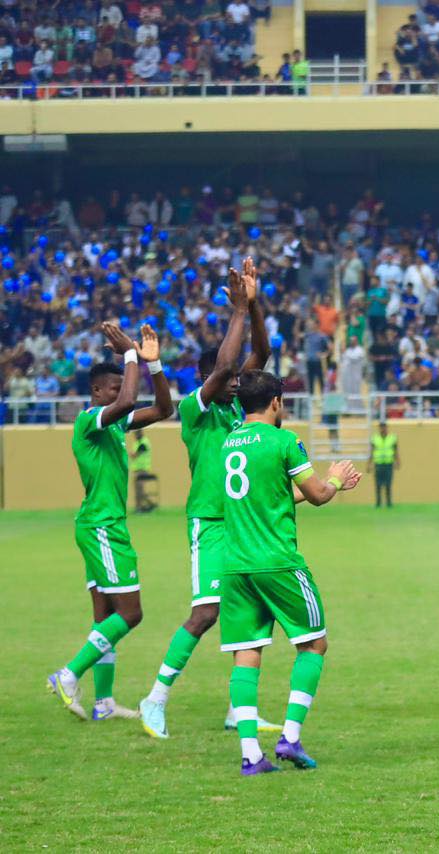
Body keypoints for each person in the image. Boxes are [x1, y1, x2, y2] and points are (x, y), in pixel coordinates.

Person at [139, 258, 272, 740]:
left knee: (249, 613)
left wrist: (253, 305)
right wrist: (236, 310)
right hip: (210, 524)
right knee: (206, 613)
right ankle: (155, 697)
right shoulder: (196, 409)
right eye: (231, 377)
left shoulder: (239, 405)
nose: (238, 381)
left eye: (239, 378)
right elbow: (223, 366)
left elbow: (264, 351)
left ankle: (240, 711)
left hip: (244, 524)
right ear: (208, 379)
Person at [219, 370, 362, 775]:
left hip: (235, 568)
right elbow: (317, 495)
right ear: (277, 402)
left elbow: (268, 498)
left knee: (246, 656)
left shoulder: (230, 441)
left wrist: (323, 487)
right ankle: (291, 738)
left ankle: (251, 756)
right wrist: (334, 480)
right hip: (278, 563)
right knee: (314, 645)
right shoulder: (284, 441)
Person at [48, 322, 174, 722]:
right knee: (131, 613)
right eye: (114, 389)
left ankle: (103, 703)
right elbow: (128, 401)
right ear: (97, 393)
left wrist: (153, 365)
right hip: (103, 526)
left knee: (105, 617)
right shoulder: (90, 421)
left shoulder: (116, 422)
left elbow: (164, 409)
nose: (121, 394)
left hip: (99, 524)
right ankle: (68, 674)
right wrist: (131, 355)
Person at [371, 421, 400, 508]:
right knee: (378, 484)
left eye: (384, 427)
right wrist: (369, 463)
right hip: (378, 463)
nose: (382, 429)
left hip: (388, 463)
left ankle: (389, 502)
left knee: (388, 484)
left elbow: (395, 451)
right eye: (381, 427)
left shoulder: (392, 438)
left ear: (386, 428)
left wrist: (397, 461)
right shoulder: (375, 438)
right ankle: (378, 502)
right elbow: (372, 451)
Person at [130, 430, 158, 513]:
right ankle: (141, 507)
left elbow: (135, 455)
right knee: (139, 490)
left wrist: (132, 454)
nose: (135, 435)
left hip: (142, 470)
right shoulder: (137, 443)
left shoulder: (143, 443)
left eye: (137, 433)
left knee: (140, 490)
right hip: (137, 470)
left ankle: (145, 506)